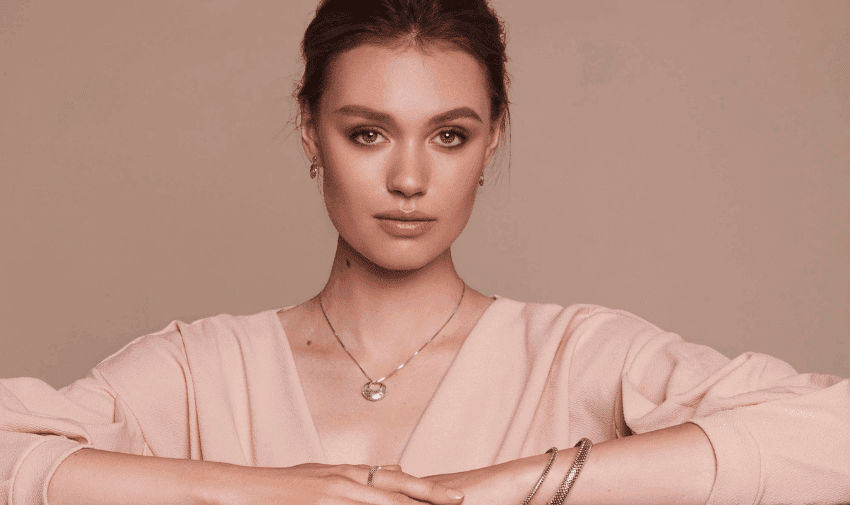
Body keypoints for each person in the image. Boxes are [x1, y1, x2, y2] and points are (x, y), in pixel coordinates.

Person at [2, 0, 848, 504]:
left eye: (449, 135)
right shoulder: (198, 372)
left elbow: (831, 437)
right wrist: (261, 489)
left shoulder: (577, 356)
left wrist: (518, 484)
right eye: (368, 132)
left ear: (491, 142)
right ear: (311, 134)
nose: (409, 177)